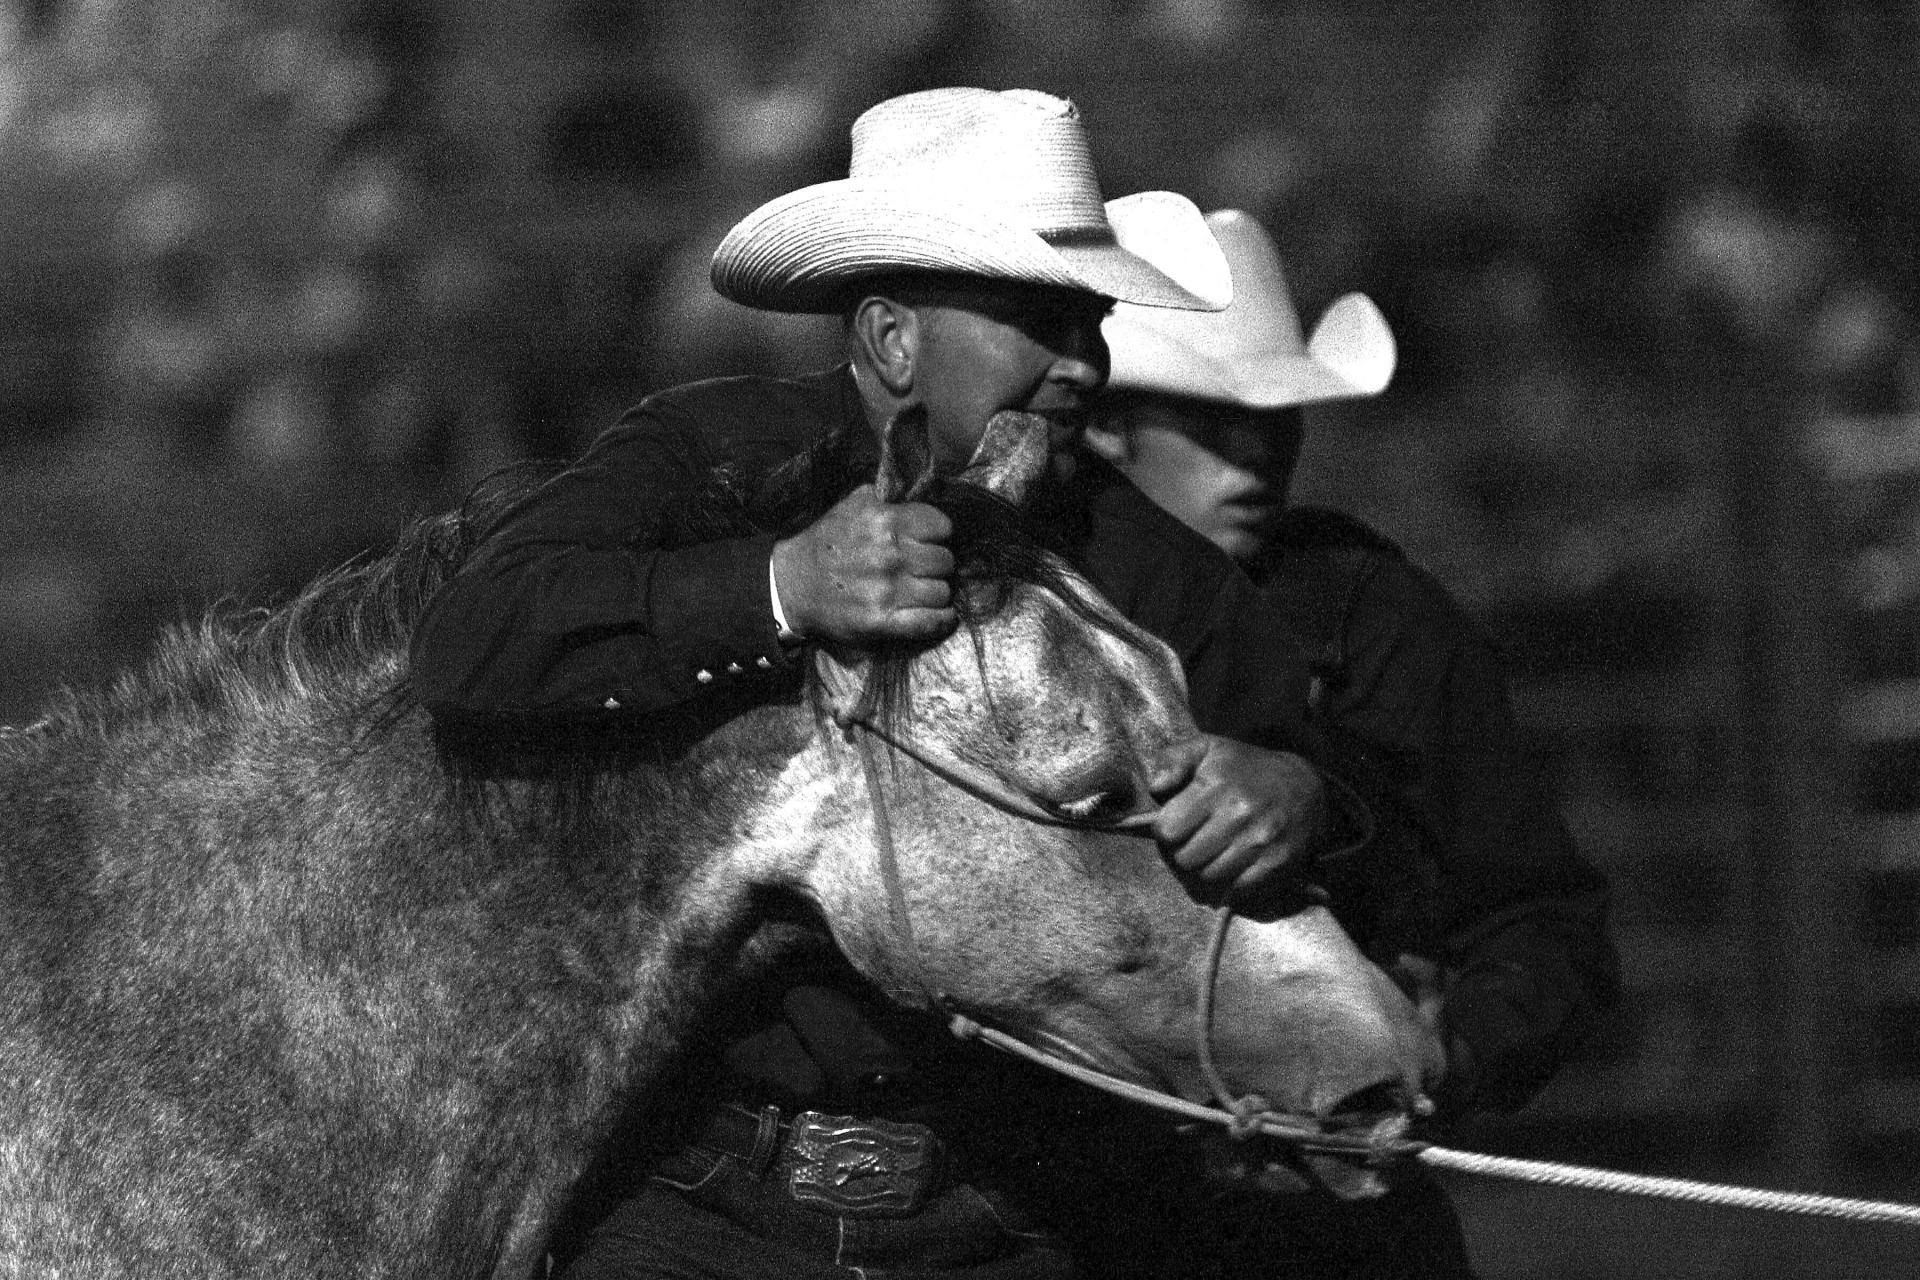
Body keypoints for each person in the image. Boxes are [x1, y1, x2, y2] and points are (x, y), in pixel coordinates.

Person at [410, 88, 1416, 1280]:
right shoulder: (715, 459)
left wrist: (1297, 788)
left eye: (1089, 321)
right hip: (696, 1209)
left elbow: (1352, 791)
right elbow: (474, 634)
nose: (1084, 360)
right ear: (890, 338)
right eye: (1040, 319)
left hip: (1021, 1213)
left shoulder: (1143, 561)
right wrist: (778, 584)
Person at [1074, 206, 1620, 1278]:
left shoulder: (1380, 621)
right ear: (1105, 425)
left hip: (1328, 1223)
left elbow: (1547, 924)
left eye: (1280, 416)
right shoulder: (1014, 616)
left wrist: (1449, 1048)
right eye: (1214, 416)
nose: (1261, 451)